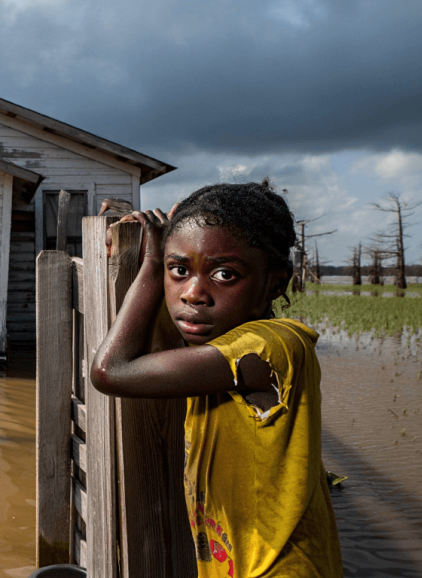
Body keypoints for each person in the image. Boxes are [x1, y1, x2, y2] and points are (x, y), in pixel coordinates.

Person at [90, 181, 342, 577]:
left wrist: (153, 263)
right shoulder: (218, 343)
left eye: (225, 274)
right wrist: (137, 239)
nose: (193, 294)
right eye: (179, 270)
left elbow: (111, 371)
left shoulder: (269, 347)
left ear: (275, 283)